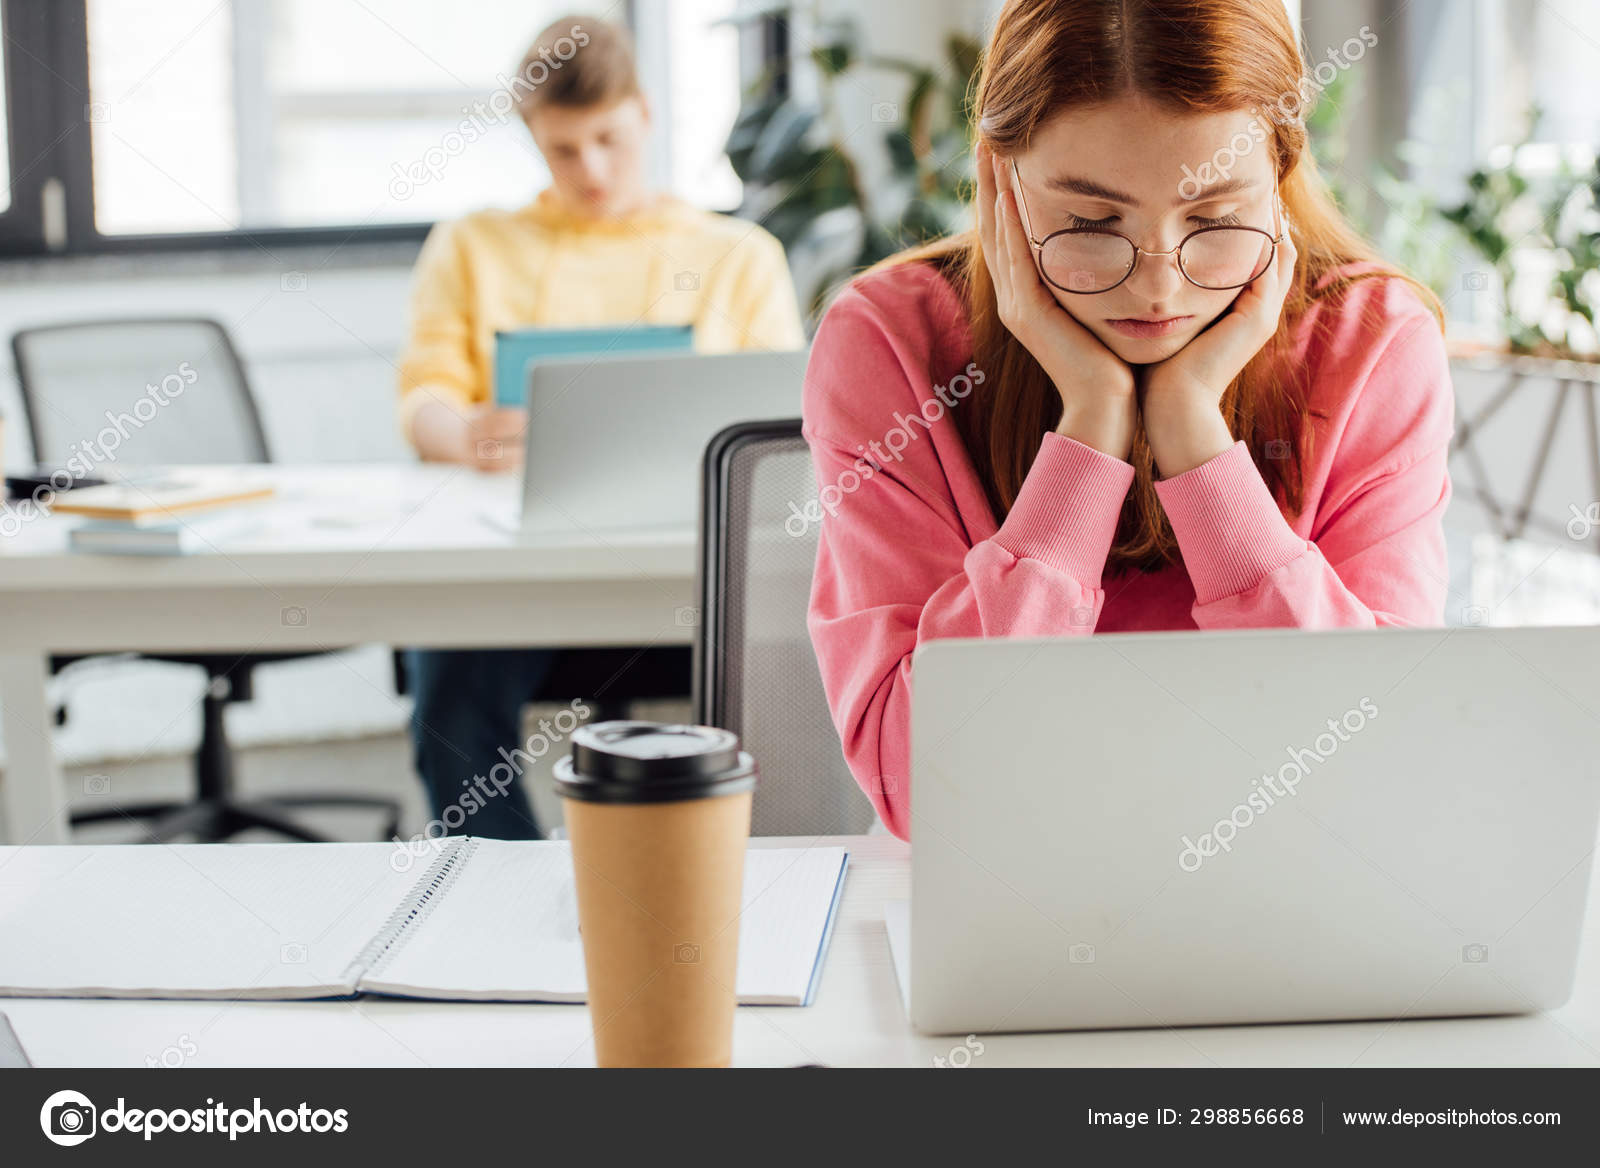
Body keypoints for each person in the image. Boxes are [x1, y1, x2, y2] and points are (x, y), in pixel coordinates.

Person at [802, 0, 1454, 842]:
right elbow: (926, 788)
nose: (1158, 289)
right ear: (1002, 181)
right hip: (1005, 901)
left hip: (1294, 893)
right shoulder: (891, 342)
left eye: (1216, 221)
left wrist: (1193, 436)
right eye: (1088, 222)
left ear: (1282, 180)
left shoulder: (1371, 343)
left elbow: (1375, 766)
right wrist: (1089, 432)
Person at [396, 14, 804, 839]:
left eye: (609, 140)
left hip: (694, 562)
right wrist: (465, 432)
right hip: (520, 565)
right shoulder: (473, 246)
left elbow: (785, 432)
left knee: (793, 666)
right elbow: (424, 400)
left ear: (645, 115)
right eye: (563, 150)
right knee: (449, 697)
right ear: (533, 142)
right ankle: (506, 909)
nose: (592, 170)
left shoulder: (738, 254)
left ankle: (741, 885)